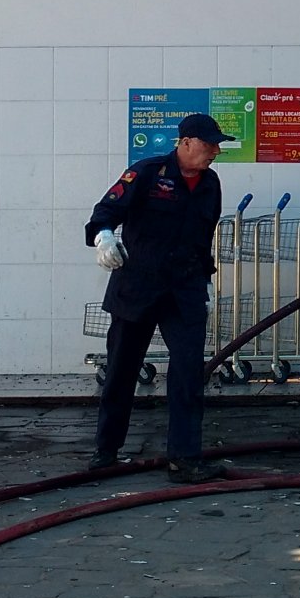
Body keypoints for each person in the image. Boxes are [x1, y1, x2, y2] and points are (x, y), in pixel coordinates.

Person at [85, 113, 229, 482]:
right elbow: (105, 213)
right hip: (138, 287)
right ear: (185, 143)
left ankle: (185, 458)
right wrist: (103, 237)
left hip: (184, 290)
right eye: (208, 143)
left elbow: (202, 239)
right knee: (121, 369)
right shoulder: (147, 173)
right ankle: (106, 451)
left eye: (217, 145)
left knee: (187, 374)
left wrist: (206, 282)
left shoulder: (211, 185)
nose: (214, 151)